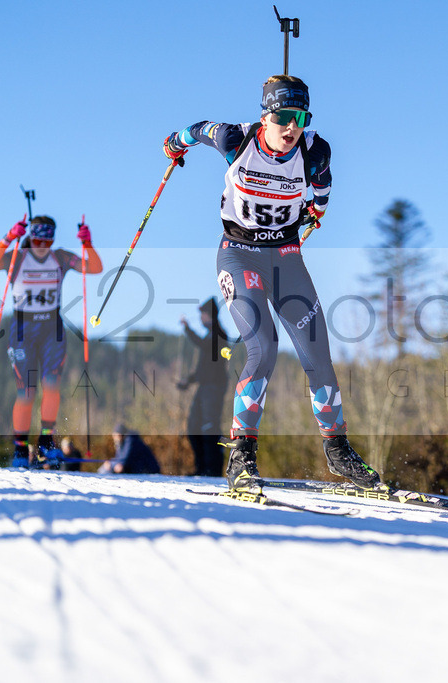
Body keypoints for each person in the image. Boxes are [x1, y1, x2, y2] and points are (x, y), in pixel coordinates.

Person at [162, 74, 382, 493]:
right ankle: (241, 456)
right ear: (266, 116)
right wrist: (175, 143)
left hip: (285, 257)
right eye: (282, 115)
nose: (291, 126)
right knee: (264, 347)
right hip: (239, 253)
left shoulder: (315, 150)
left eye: (299, 116)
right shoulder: (235, 139)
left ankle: (337, 451)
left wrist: (313, 213)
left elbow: (323, 191)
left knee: (318, 352)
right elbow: (197, 130)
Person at [0, 215, 103, 468]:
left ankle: (45, 445)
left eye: (47, 240)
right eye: (37, 239)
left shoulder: (59, 257)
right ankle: (20, 449)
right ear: (31, 237)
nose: (42, 245)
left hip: (52, 328)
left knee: (51, 384)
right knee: (26, 391)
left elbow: (94, 268)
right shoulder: (18, 257)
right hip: (22, 329)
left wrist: (88, 244)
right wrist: (9, 237)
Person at [177, 297, 230, 476]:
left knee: (209, 428)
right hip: (204, 387)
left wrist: (187, 328)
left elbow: (203, 345)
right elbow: (203, 369)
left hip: (214, 388)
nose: (201, 318)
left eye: (203, 315)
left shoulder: (219, 334)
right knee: (193, 426)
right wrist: (188, 381)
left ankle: (212, 470)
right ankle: (201, 468)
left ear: (210, 315)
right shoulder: (210, 335)